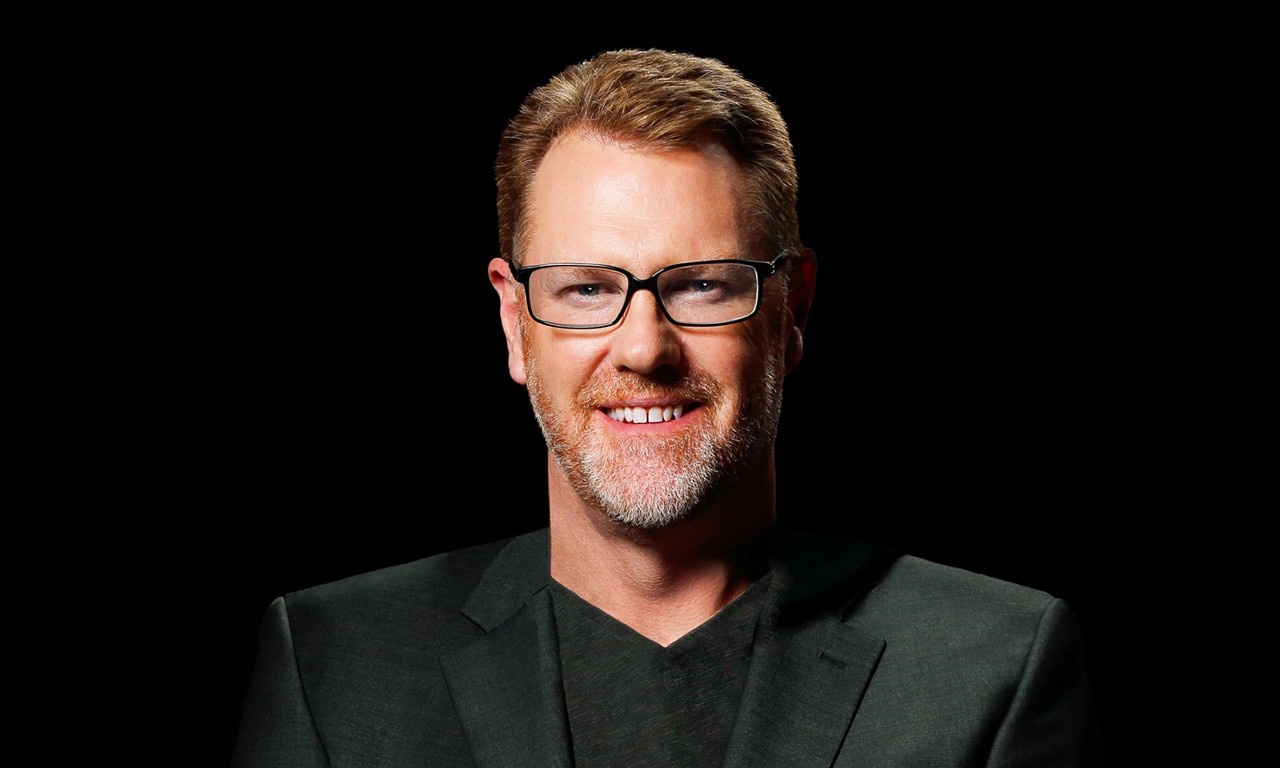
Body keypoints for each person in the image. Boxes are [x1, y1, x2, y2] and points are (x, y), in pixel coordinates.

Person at [230, 48, 1104, 767]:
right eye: (584, 289)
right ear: (513, 321)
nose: (644, 348)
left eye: (702, 285)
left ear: (792, 308)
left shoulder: (989, 668)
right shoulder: (335, 667)